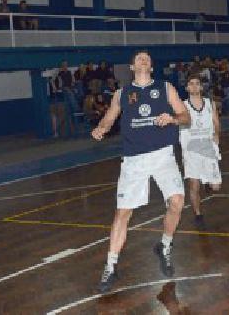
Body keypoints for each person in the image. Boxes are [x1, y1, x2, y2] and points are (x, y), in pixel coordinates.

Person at [91, 50, 191, 293]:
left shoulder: (166, 88)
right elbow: (108, 119)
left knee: (177, 202)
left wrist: (173, 119)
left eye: (147, 58)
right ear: (132, 68)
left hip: (163, 154)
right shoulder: (121, 94)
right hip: (134, 159)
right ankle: (111, 266)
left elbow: (186, 117)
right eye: (139, 59)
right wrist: (100, 129)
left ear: (152, 67)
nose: (143, 60)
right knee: (123, 213)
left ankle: (164, 245)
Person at [178, 76, 222, 231]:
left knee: (216, 187)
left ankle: (208, 183)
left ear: (201, 87)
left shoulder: (210, 104)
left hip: (208, 148)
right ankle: (198, 215)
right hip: (191, 151)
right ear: (187, 88)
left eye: (197, 84)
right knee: (193, 185)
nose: (195, 86)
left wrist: (216, 133)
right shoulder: (182, 106)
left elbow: (216, 122)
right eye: (191, 84)